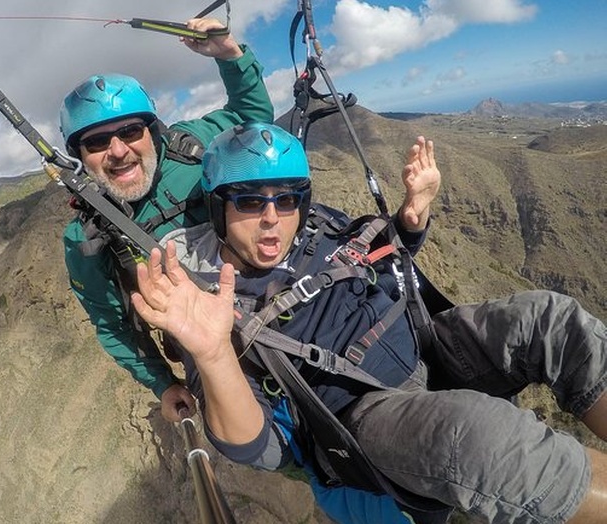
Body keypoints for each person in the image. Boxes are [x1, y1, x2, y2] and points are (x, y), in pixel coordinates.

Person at [131, 122, 607, 523]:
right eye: (250, 202)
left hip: (425, 347)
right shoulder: (206, 301)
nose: (273, 219)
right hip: (364, 413)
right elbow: (257, 447)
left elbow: (377, 261)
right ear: (220, 208)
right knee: (483, 440)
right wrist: (213, 354)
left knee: (552, 322)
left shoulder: (316, 224)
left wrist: (411, 219)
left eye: (288, 198)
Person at [60, 17, 274, 417]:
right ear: (81, 156)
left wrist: (229, 56)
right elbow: (112, 324)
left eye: (130, 131)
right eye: (96, 142)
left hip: (272, 295)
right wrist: (164, 384)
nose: (119, 150)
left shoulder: (190, 145)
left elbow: (254, 119)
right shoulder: (86, 237)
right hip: (203, 343)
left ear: (153, 131)